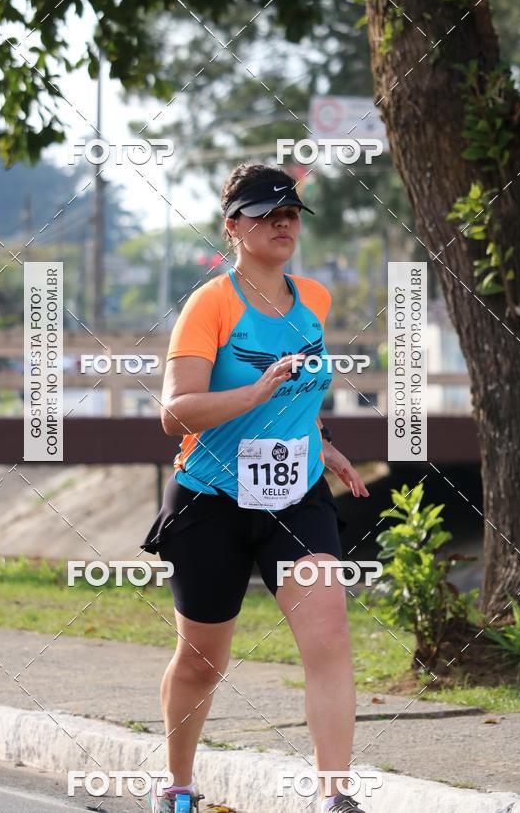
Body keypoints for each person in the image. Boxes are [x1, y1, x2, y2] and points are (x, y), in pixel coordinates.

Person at [141, 162, 370, 813]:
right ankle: (178, 787)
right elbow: (174, 412)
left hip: (296, 499)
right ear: (232, 226)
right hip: (211, 502)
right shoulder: (211, 303)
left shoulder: (316, 301)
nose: (283, 222)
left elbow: (298, 396)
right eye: (267, 212)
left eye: (291, 212)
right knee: (201, 662)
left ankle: (334, 797)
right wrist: (254, 391)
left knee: (329, 637)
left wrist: (320, 445)